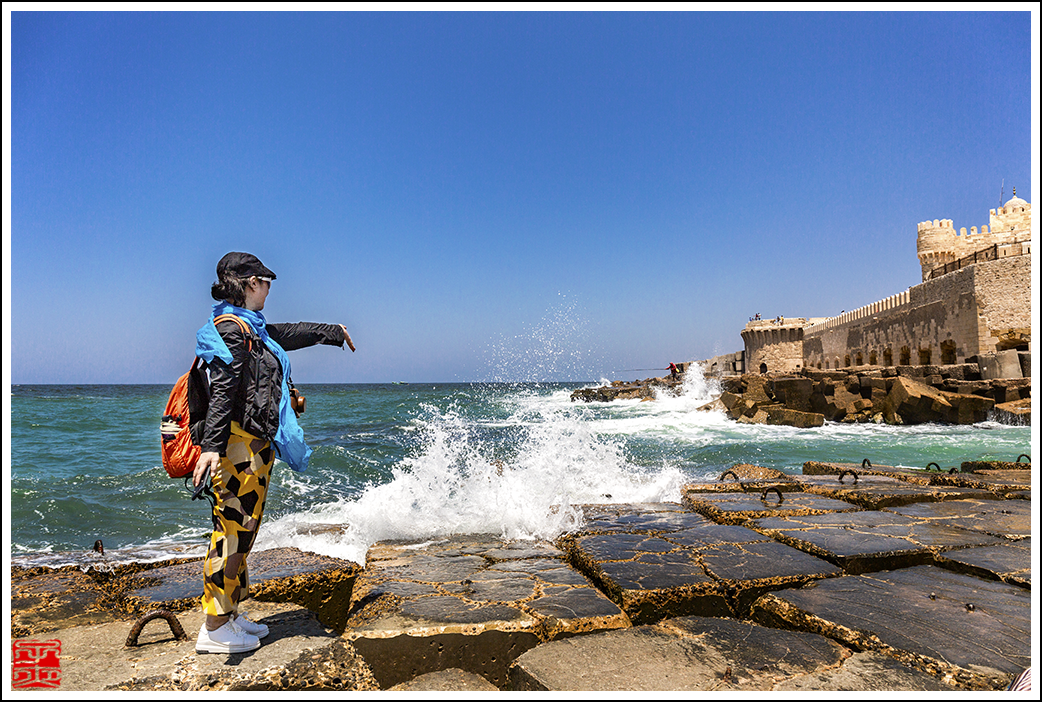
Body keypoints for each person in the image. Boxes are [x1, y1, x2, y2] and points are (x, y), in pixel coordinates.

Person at [192, 252, 355, 654]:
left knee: (245, 530)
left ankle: (229, 615)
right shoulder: (232, 330)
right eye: (266, 281)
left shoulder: (254, 329)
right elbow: (224, 390)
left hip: (253, 444)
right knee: (231, 531)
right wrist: (212, 447)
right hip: (235, 446)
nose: (269, 288)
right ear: (250, 283)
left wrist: (331, 331)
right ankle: (214, 626)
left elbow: (290, 333)